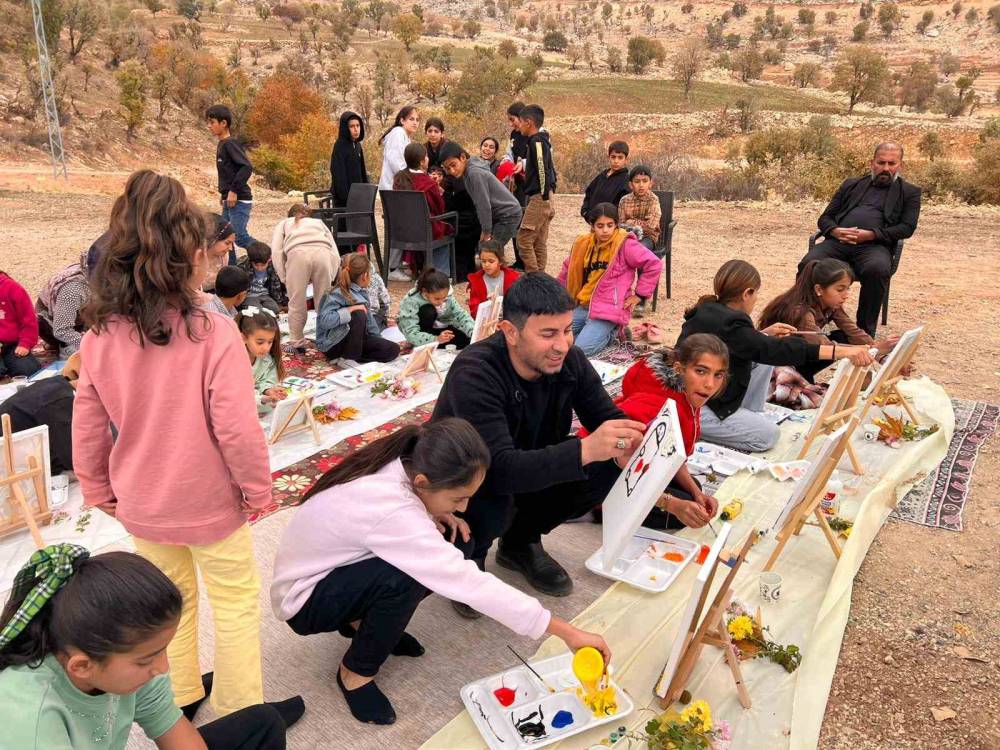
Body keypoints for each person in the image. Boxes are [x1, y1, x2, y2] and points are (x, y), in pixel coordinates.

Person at [72, 169, 298, 718]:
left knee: (170, 604)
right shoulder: (213, 331)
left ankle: (180, 696)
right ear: (191, 255)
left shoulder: (99, 333)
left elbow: (87, 418)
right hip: (209, 502)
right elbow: (237, 427)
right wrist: (257, 489)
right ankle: (241, 712)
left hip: (143, 501)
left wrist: (95, 485)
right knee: (235, 602)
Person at [270, 419, 611, 725]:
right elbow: (468, 583)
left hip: (334, 568)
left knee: (458, 540)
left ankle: (365, 624)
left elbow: (383, 523)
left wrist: (432, 512)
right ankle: (355, 672)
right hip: (305, 601)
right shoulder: (392, 509)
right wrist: (566, 632)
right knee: (408, 577)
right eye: (457, 498)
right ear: (422, 483)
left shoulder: (405, 460)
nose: (463, 506)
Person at [431, 273, 646, 600]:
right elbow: (498, 469)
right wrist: (584, 450)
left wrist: (634, 443)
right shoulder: (475, 372)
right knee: (492, 501)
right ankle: (469, 558)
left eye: (567, 330)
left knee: (608, 463)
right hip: (472, 479)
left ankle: (520, 542)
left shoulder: (569, 360)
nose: (562, 345)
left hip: (528, 464)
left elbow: (607, 417)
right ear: (510, 332)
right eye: (548, 334)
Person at [0, 546, 304, 749]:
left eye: (162, 650)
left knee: (262, 723)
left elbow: (173, 732)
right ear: (82, 666)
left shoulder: (127, 664)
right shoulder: (29, 719)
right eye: (147, 659)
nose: (163, 667)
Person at [677, 259, 875, 453]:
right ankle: (695, 427)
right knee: (768, 435)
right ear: (747, 293)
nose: (756, 299)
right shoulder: (732, 323)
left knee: (762, 361)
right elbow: (775, 349)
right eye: (756, 293)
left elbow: (745, 344)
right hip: (693, 405)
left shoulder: (711, 311)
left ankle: (748, 415)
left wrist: (762, 335)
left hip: (702, 394)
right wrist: (841, 351)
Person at [599, 334, 728, 530]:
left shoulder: (687, 396)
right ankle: (596, 511)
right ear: (679, 369)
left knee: (693, 492)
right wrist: (672, 504)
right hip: (607, 475)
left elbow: (672, 455)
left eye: (718, 375)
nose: (710, 384)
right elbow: (626, 470)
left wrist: (697, 494)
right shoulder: (655, 406)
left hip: (641, 467)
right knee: (680, 513)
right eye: (701, 371)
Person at [797, 142, 921, 336]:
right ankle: (804, 321)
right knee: (809, 263)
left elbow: (907, 227)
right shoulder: (851, 185)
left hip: (874, 246)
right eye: (881, 162)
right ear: (872, 163)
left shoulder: (909, 192)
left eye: (891, 163)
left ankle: (864, 331)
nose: (885, 168)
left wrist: (871, 234)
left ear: (900, 165)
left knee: (877, 269)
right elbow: (825, 218)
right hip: (838, 243)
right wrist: (835, 231)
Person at [759, 259, 898, 383]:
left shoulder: (831, 303)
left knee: (844, 336)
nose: (846, 295)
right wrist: (875, 350)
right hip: (775, 364)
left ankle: (805, 377)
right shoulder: (800, 311)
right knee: (830, 348)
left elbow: (853, 332)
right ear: (819, 289)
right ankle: (801, 378)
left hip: (801, 352)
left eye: (848, 289)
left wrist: (882, 357)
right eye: (840, 289)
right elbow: (823, 347)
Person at [558, 203, 661, 356]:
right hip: (584, 305)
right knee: (557, 341)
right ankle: (594, 333)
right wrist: (555, 295)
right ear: (592, 226)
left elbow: (654, 264)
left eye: (610, 225)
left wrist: (640, 295)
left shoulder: (625, 245)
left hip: (609, 309)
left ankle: (614, 333)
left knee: (579, 351)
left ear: (616, 225)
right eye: (600, 226)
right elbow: (568, 270)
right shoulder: (583, 244)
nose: (605, 230)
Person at [271, 203, 341, 354]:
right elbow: (334, 251)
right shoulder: (319, 223)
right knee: (324, 301)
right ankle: (326, 338)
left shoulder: (284, 224)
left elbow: (276, 252)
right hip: (322, 253)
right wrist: (331, 274)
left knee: (296, 302)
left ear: (289, 215)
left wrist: (284, 276)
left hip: (298, 255)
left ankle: (297, 341)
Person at [439, 141, 523, 257]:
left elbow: (483, 204)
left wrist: (486, 231)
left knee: (490, 252)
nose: (452, 171)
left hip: (507, 215)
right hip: (500, 214)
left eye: (453, 165)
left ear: (463, 157)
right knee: (491, 252)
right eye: (448, 168)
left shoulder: (474, 173)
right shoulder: (468, 170)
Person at [0, 354, 79, 474]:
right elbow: (75, 459)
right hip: (10, 460)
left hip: (21, 447)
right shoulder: (61, 402)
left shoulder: (57, 383)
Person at [316, 253, 400, 363]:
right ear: (365, 276)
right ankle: (349, 359)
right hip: (333, 345)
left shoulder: (361, 293)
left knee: (392, 349)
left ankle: (349, 357)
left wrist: (378, 341)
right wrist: (350, 310)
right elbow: (324, 321)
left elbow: (370, 323)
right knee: (358, 314)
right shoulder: (336, 293)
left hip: (355, 341)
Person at [393, 142, 454, 276]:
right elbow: (439, 209)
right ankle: (440, 272)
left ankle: (418, 266)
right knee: (446, 227)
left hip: (402, 229)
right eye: (426, 156)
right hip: (423, 230)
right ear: (422, 162)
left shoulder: (399, 178)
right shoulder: (429, 183)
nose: (428, 159)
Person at [206, 104, 256, 264]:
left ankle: (267, 258)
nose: (209, 126)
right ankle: (231, 270)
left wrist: (233, 191)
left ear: (223, 123)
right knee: (226, 236)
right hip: (229, 199)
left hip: (239, 199)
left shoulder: (230, 143)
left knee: (239, 236)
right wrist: (224, 194)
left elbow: (246, 167)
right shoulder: (222, 144)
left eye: (212, 122)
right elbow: (228, 173)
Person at [379, 105, 420, 281]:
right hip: (394, 188)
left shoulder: (403, 135)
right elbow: (397, 162)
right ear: (402, 120)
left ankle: (395, 264)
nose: (415, 123)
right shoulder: (398, 133)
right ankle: (391, 268)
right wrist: (416, 176)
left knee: (399, 226)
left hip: (397, 187)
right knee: (398, 227)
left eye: (417, 120)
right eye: (411, 119)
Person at [515, 104, 557, 273]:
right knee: (539, 241)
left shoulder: (536, 141)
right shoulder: (541, 141)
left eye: (520, 122)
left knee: (524, 240)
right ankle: (541, 277)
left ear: (528, 122)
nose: (518, 126)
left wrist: (544, 195)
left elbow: (542, 168)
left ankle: (533, 276)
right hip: (544, 196)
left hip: (539, 197)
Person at [397, 268, 474, 350]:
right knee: (428, 311)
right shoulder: (411, 301)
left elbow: (460, 314)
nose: (441, 302)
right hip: (423, 332)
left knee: (466, 341)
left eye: (444, 298)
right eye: (437, 299)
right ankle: (419, 344)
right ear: (424, 291)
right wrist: (435, 339)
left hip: (441, 328)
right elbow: (410, 332)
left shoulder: (447, 295)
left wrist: (473, 331)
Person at [35, 254, 91, 358]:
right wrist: (89, 343)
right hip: (56, 327)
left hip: (83, 320)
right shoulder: (74, 289)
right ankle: (64, 349)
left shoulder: (106, 281)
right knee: (92, 353)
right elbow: (61, 330)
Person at [237, 307, 287, 413]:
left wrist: (268, 390)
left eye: (270, 342)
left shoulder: (267, 359)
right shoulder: (231, 362)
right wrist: (261, 399)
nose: (266, 348)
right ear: (243, 338)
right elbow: (237, 394)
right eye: (260, 342)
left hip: (256, 402)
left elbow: (268, 379)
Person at [0, 269, 41, 378]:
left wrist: (25, 343)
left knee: (29, 370)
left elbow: (29, 319)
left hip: (12, 345)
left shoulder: (12, 288)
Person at [467, 239, 520, 318]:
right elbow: (474, 308)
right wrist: (487, 306)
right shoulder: (476, 281)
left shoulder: (512, 278)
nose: (487, 265)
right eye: (483, 261)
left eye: (491, 261)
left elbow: (519, 302)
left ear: (500, 261)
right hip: (486, 319)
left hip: (509, 318)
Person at [580, 140, 631, 222]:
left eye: (620, 157)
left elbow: (622, 206)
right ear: (608, 157)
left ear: (626, 159)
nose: (616, 161)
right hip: (593, 222)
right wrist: (585, 212)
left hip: (609, 224)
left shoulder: (626, 180)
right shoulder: (602, 176)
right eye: (613, 157)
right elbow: (589, 193)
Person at [329, 111, 369, 208]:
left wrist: (366, 191)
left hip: (358, 195)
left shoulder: (357, 145)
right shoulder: (340, 146)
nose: (356, 129)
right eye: (352, 126)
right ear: (345, 128)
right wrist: (346, 198)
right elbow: (338, 175)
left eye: (358, 126)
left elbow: (362, 171)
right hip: (344, 200)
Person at [237, 241, 286, 315]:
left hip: (265, 295)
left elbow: (276, 285)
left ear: (269, 260)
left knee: (275, 309)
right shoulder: (243, 267)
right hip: (250, 296)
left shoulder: (273, 267)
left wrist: (279, 301)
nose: (260, 268)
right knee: (257, 312)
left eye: (263, 265)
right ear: (251, 261)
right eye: (256, 265)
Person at [201, 214, 236, 292]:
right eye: (227, 243)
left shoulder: (223, 257)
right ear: (212, 240)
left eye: (232, 244)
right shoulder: (192, 260)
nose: (230, 248)